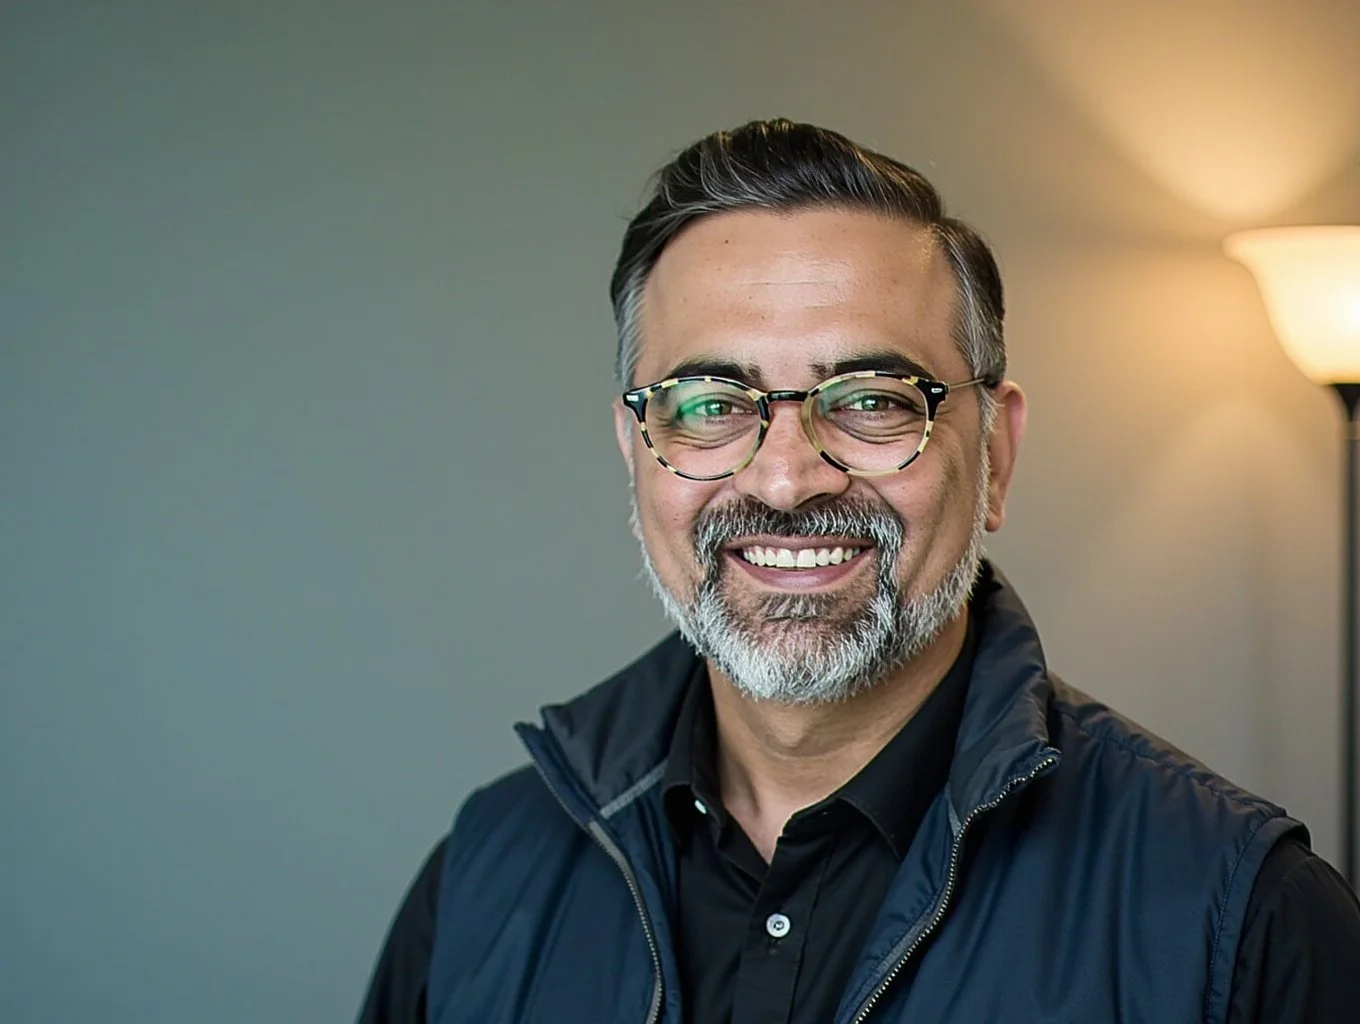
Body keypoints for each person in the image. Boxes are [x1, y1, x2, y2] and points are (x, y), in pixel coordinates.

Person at [358, 119, 1360, 1024]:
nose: (786, 479)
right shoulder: (484, 877)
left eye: (873, 400)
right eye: (708, 404)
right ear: (635, 450)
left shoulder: (1241, 916)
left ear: (996, 454)